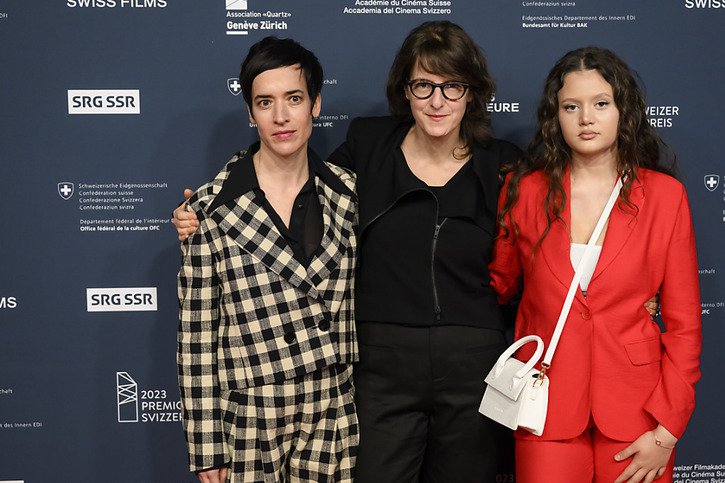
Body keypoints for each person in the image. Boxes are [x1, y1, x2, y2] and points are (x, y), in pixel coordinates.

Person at [177, 21, 519, 482]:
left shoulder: (499, 165)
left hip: (394, 394)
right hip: (301, 402)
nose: (437, 100)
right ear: (405, 90)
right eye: (423, 86)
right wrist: (205, 208)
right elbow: (198, 338)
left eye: (452, 86)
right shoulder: (362, 156)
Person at [490, 46, 702, 483]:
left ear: (623, 111)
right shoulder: (524, 191)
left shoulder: (665, 197)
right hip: (544, 407)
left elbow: (684, 326)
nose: (586, 118)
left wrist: (666, 432)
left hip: (639, 413)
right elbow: (499, 284)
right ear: (556, 115)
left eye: (600, 104)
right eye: (572, 106)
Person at [177, 36, 359, 483]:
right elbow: (197, 338)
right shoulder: (210, 208)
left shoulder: (348, 192)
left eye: (294, 99)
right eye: (265, 102)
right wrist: (207, 449)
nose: (281, 116)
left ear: (316, 104)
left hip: (331, 411)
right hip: (249, 419)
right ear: (250, 112)